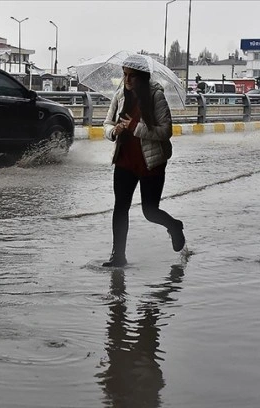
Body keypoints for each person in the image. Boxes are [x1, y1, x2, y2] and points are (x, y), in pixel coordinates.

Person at [102, 54, 185, 268]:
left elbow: (166, 131)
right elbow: (107, 123)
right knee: (120, 207)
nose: (127, 80)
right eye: (125, 75)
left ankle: (174, 226)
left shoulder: (156, 97)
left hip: (151, 163)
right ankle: (118, 255)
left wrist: (134, 128)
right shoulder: (120, 95)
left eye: (132, 76)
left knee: (150, 211)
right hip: (124, 161)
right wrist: (114, 131)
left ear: (142, 78)